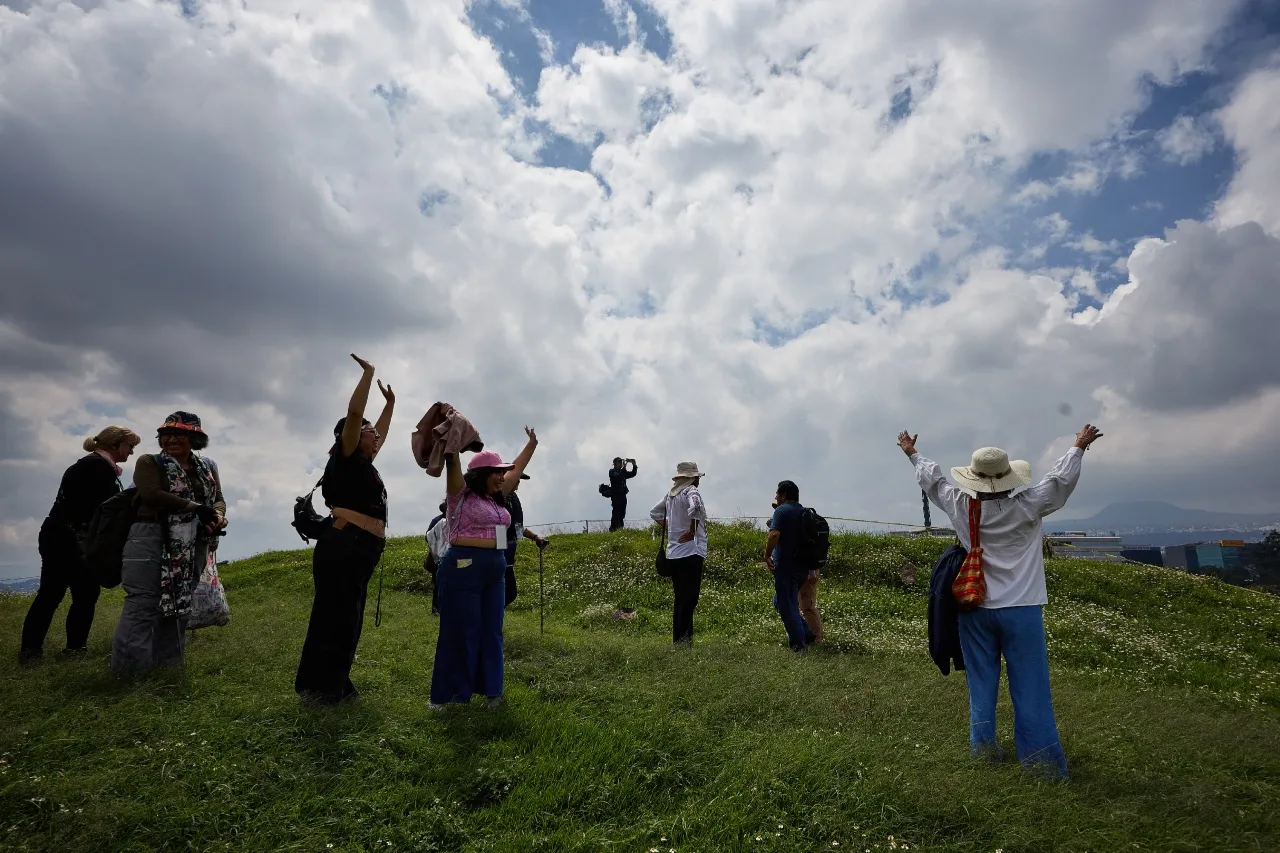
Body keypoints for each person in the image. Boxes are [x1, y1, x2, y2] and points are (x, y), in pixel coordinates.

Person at [898, 424, 1103, 781]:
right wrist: (1078, 446)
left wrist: (911, 452)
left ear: (973, 478)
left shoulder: (960, 505)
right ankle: (1041, 764)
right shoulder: (1030, 505)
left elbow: (933, 481)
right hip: (1022, 608)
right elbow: (1059, 482)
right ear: (1009, 477)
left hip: (974, 607)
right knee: (1032, 688)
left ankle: (983, 751)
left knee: (981, 682)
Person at [295, 354, 394, 705]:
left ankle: (333, 682)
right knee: (336, 616)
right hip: (344, 544)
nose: (376, 435)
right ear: (349, 437)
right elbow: (354, 415)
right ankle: (322, 689)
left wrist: (391, 404)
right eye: (370, 431)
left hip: (359, 547)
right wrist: (368, 375)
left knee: (346, 616)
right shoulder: (347, 457)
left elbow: (375, 430)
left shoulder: (363, 465)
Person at [430, 427, 539, 708]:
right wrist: (452, 443)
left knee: (492, 630)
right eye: (497, 472)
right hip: (463, 567)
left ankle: (493, 693)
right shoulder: (460, 495)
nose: (502, 477)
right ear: (480, 475)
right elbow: (452, 462)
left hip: (495, 570)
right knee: (461, 629)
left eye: (503, 473)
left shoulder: (497, 498)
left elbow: (517, 468)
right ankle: (449, 697)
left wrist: (532, 444)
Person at [111, 412, 227, 672]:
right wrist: (197, 508)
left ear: (195, 438)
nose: (171, 439)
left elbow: (218, 497)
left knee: (179, 603)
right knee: (143, 603)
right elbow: (152, 494)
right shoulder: (148, 462)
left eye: (179, 434)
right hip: (150, 537)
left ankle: (168, 670)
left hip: (192, 542)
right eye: (165, 434)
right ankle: (130, 673)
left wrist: (218, 515)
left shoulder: (207, 467)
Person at [20, 426, 141, 665]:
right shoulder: (96, 468)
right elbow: (100, 508)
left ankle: (47, 650)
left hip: (64, 536)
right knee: (60, 595)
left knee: (70, 594)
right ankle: (45, 651)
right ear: (115, 445)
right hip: (68, 540)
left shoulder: (93, 465)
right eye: (130, 446)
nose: (132, 452)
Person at [649, 462, 708, 644]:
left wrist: (671, 529)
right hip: (691, 552)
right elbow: (696, 508)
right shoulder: (691, 491)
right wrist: (691, 530)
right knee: (690, 599)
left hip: (673, 554)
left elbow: (655, 513)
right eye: (696, 477)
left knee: (680, 599)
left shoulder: (671, 495)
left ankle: (679, 639)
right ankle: (685, 639)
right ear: (691, 478)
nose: (698, 480)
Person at [763, 480, 816, 652]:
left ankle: (799, 645)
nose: (776, 498)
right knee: (779, 601)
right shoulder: (804, 512)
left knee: (787, 606)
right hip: (802, 568)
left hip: (786, 567)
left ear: (784, 495)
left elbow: (774, 535)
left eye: (777, 494)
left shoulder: (782, 510)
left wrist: (767, 555)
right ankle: (807, 633)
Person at [504, 473, 548, 607]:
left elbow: (517, 527)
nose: (517, 486)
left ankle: (492, 621)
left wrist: (535, 537)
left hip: (509, 555)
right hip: (497, 554)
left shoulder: (513, 499)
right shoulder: (496, 499)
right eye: (515, 482)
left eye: (518, 482)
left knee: (509, 593)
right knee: (505, 593)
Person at [425, 500, 447, 616]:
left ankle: (439, 608)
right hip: (438, 556)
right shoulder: (437, 520)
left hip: (441, 556)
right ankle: (436, 608)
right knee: (438, 583)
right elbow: (428, 536)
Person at [608, 457, 637, 531]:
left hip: (623, 495)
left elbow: (633, 474)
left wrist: (634, 465)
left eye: (621, 462)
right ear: (615, 464)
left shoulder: (622, 472)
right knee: (616, 512)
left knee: (622, 512)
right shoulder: (612, 472)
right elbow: (618, 477)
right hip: (615, 496)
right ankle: (613, 528)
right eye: (619, 462)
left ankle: (620, 527)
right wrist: (624, 468)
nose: (621, 463)